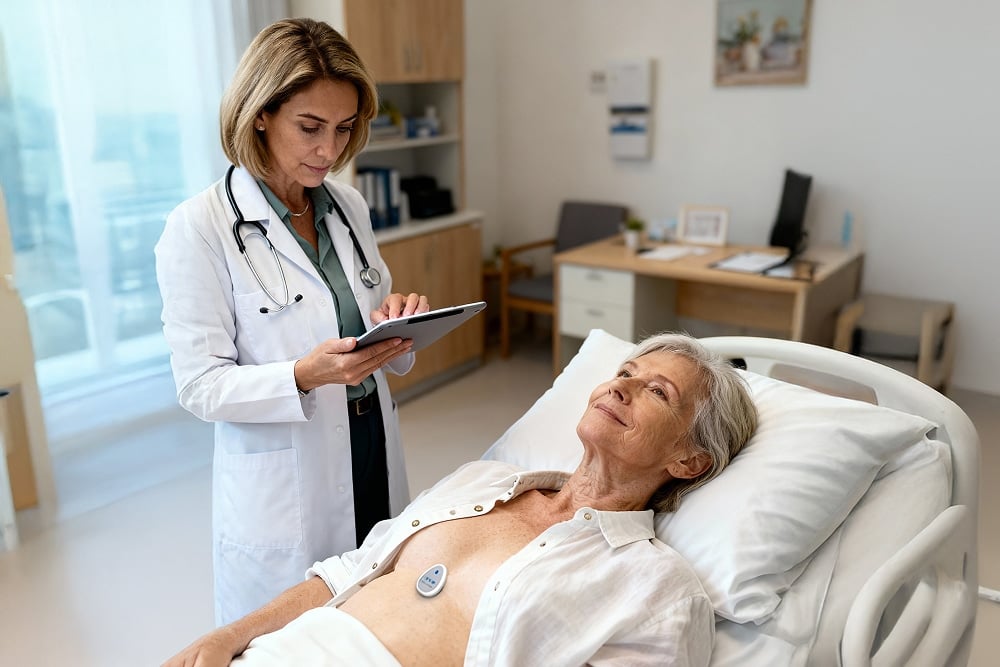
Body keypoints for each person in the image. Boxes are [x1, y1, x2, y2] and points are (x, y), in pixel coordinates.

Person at [163, 333, 759, 666]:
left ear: (688, 460)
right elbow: (349, 573)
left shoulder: (658, 590)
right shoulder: (482, 481)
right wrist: (230, 636)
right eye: (624, 370)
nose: (620, 385)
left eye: (656, 390)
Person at [154, 18, 430, 626]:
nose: (329, 151)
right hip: (286, 477)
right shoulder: (198, 228)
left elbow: (369, 314)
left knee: (372, 617)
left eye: (344, 128)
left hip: (370, 445)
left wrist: (398, 323)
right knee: (294, 637)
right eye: (309, 128)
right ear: (259, 114)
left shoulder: (348, 204)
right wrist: (302, 375)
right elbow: (199, 385)